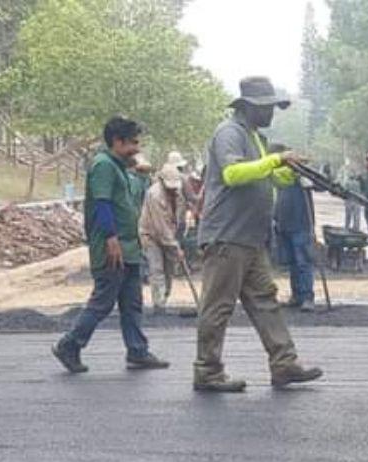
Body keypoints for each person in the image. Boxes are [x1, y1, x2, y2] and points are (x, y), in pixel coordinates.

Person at [193, 76, 323, 392]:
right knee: (218, 306)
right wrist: (276, 159)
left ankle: (284, 363)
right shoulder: (229, 133)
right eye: (267, 108)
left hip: (250, 239)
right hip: (227, 236)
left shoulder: (254, 137)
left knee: (265, 301)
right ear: (249, 106)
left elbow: (270, 179)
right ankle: (207, 371)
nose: (271, 114)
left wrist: (289, 170)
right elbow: (233, 174)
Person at [52, 116, 167, 374]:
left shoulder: (120, 168)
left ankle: (137, 350)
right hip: (113, 247)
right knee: (103, 301)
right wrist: (110, 237)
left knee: (132, 302)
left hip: (130, 248)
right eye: (133, 143)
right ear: (117, 141)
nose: (137, 149)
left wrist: (140, 173)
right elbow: (103, 203)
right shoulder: (103, 165)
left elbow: (130, 197)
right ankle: (69, 344)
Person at [273, 145, 318, 311]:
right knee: (292, 262)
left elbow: (322, 184)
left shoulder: (301, 173)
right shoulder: (278, 174)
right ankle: (297, 294)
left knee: (302, 261)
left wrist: (308, 180)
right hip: (284, 222)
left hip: (301, 222)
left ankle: (307, 296)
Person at [139, 161, 186, 312]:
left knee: (169, 269)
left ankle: (165, 297)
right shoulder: (155, 195)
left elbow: (178, 217)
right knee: (157, 268)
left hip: (169, 235)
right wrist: (175, 247)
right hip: (151, 235)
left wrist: (175, 241)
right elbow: (160, 227)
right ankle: (159, 305)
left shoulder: (177, 193)